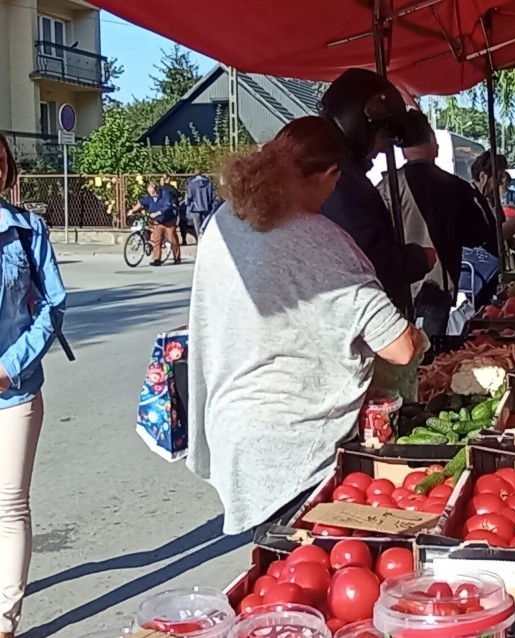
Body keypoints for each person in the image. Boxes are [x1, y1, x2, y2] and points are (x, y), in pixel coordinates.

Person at [188, 117, 424, 535]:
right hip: (295, 441)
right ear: (330, 174)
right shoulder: (320, 239)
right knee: (296, 566)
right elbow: (399, 349)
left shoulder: (224, 220)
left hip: (232, 425)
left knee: (274, 567)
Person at [0, 132, 67, 637]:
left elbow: (53, 306)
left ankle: (5, 619)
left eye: (0, 161)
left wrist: (11, 365)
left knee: (9, 504)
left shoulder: (26, 230)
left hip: (13, 390)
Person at [319, 68, 436, 311]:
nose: (385, 150)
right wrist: (418, 259)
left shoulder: (339, 174)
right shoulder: (337, 180)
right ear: (358, 124)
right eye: (385, 136)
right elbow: (370, 257)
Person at [377, 111, 497, 336]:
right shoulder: (456, 187)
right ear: (434, 142)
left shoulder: (387, 186)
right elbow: (478, 234)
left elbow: (374, 238)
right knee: (430, 356)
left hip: (395, 289)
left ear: (402, 149)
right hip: (438, 285)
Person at [128, 183, 181, 266]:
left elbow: (167, 206)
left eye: (153, 192)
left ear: (157, 189)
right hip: (157, 222)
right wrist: (133, 210)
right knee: (157, 240)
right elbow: (141, 203)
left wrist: (157, 213)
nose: (151, 195)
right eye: (150, 193)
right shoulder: (149, 196)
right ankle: (157, 259)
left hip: (168, 221)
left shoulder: (165, 194)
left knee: (172, 239)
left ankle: (177, 258)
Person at [185, 171, 216, 238]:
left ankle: (199, 239)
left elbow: (189, 196)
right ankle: (206, 238)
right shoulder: (208, 183)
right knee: (206, 224)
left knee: (197, 226)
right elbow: (211, 196)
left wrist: (188, 204)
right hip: (206, 206)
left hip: (195, 208)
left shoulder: (192, 184)